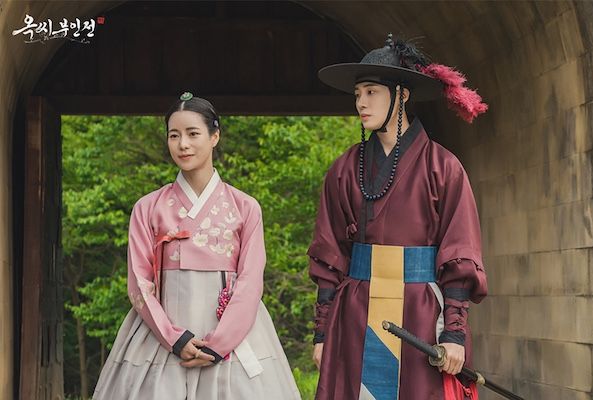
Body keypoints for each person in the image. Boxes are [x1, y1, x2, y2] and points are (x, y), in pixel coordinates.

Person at [308, 34, 489, 400]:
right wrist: (322, 333)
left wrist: (453, 333)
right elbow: (329, 255)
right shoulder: (344, 170)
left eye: (371, 92)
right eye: (357, 94)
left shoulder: (443, 167)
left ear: (402, 94)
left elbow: (460, 252)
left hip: (421, 314)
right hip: (355, 312)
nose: (361, 102)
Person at [94, 93, 300, 399]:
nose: (183, 144)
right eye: (174, 135)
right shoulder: (147, 208)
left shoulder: (245, 207)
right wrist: (175, 339)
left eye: (193, 134)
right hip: (162, 334)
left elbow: (251, 280)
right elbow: (139, 283)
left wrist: (219, 345)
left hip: (232, 335)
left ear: (215, 136)